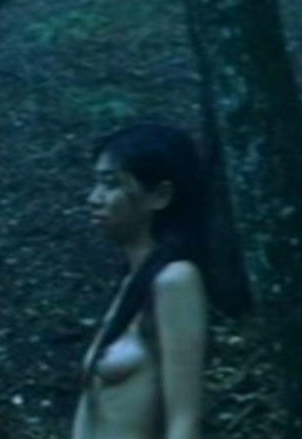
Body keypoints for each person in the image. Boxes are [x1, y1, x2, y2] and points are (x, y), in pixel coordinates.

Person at [72, 123, 208, 439]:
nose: (94, 198)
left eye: (111, 184)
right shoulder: (132, 283)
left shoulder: (176, 281)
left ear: (160, 196)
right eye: (96, 183)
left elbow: (184, 421)